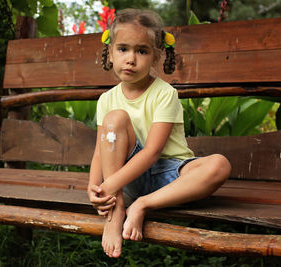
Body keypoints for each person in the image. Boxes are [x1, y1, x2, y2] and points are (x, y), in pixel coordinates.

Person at [87, 9, 231, 258]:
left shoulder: (165, 94)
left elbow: (153, 152)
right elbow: (101, 151)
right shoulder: (106, 99)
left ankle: (143, 205)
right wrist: (93, 186)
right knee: (115, 119)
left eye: (141, 51)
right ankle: (116, 211)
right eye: (123, 49)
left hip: (171, 177)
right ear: (110, 53)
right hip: (128, 179)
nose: (131, 59)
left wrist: (107, 186)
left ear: (155, 57)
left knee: (220, 165)